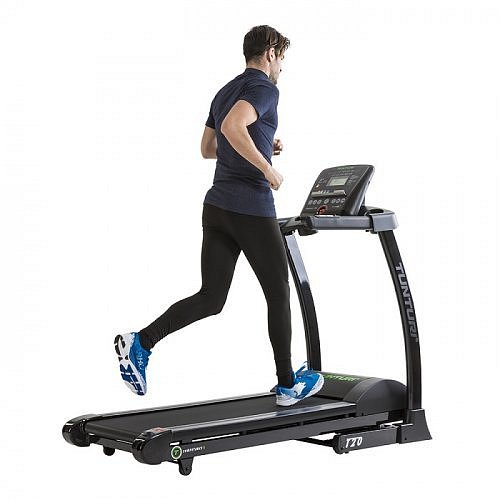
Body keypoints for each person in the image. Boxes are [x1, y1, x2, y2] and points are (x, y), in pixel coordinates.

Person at [114, 25, 324, 406]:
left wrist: (262, 143)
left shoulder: (226, 90)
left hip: (217, 208)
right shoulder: (265, 89)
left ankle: (140, 342)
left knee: (211, 297)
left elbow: (209, 148)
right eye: (282, 58)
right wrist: (267, 168)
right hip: (250, 207)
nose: (282, 67)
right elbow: (231, 127)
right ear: (271, 53)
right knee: (278, 292)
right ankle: (287, 385)